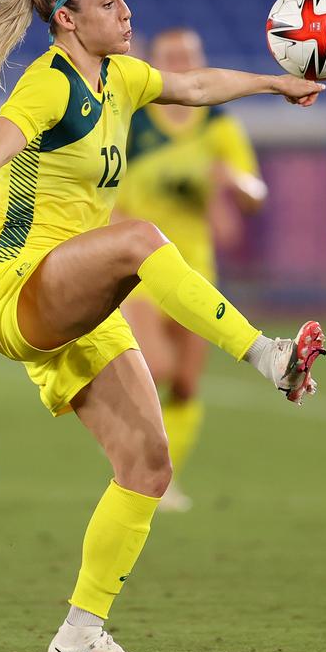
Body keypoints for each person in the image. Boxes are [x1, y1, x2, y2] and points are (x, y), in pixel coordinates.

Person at [0, 0, 326, 652]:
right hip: (15, 284)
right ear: (66, 19)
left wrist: (275, 82)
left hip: (73, 289)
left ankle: (81, 632)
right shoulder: (48, 85)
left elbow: (192, 83)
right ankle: (267, 353)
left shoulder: (121, 76)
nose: (126, 12)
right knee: (138, 240)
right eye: (108, 1)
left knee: (147, 464)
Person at [114, 27, 268, 512]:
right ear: (156, 64)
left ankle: (161, 482)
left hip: (196, 271)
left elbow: (255, 194)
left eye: (189, 56)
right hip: (141, 269)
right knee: (155, 367)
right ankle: (130, 456)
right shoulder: (132, 121)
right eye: (171, 56)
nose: (180, 63)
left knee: (184, 383)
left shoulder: (218, 126)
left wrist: (234, 183)